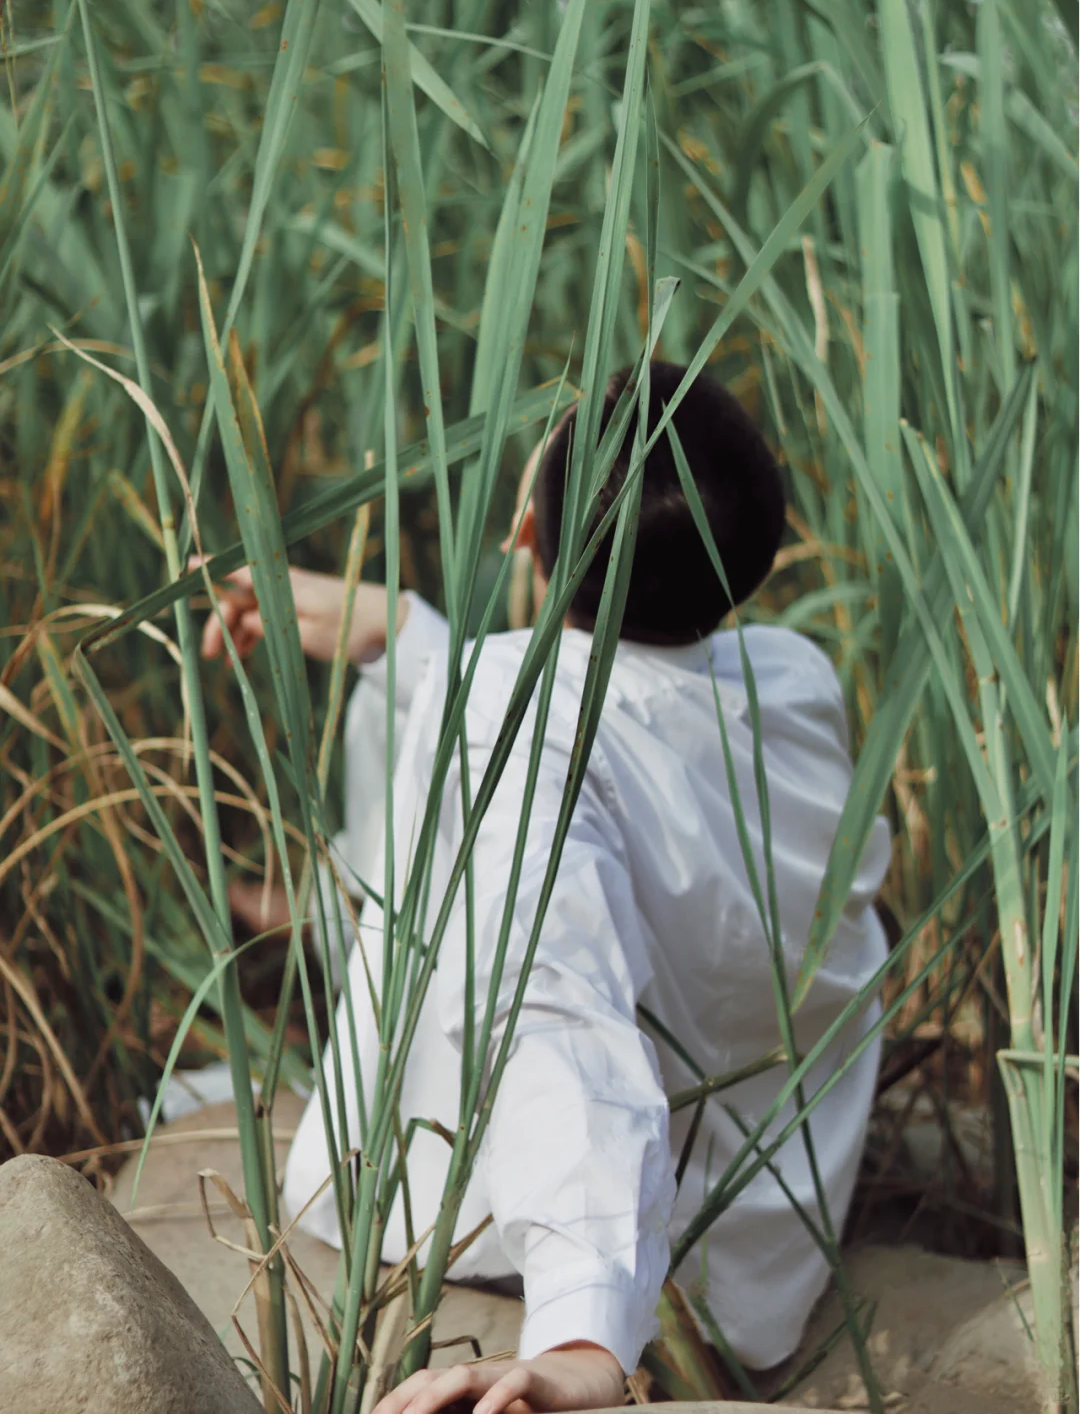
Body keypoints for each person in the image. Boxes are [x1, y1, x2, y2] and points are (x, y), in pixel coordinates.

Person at [200, 361, 891, 1414]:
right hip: (763, 1232)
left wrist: (579, 1332)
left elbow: (547, 994)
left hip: (599, 1248)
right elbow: (624, 730)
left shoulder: (506, 706)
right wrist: (400, 624)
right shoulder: (795, 678)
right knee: (445, 736)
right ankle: (323, 902)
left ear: (527, 533)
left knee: (465, 820)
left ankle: (322, 907)